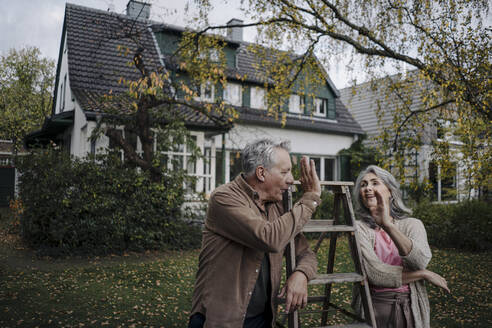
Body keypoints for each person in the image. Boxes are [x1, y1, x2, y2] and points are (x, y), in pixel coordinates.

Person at [188, 138, 322, 328]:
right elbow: (269, 238)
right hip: (219, 320)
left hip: (263, 319)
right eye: (285, 172)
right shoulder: (224, 198)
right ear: (261, 173)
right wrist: (311, 199)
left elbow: (305, 253)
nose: (291, 180)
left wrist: (301, 274)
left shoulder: (279, 207)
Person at [352, 165, 450, 328]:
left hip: (410, 306)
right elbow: (374, 273)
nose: (368, 188)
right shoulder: (358, 228)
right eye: (363, 185)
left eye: (375, 183)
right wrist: (423, 274)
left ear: (390, 191)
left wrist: (388, 226)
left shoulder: (413, 224)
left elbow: (419, 261)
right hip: (374, 306)